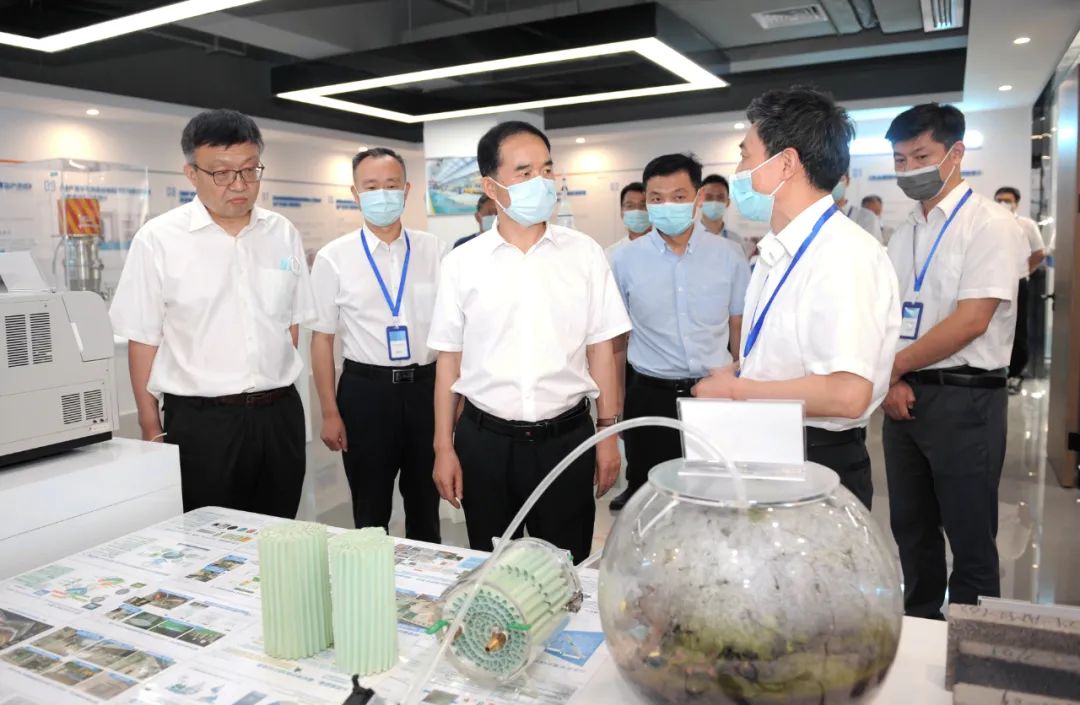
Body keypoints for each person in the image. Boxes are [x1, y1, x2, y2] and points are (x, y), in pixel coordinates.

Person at [428, 121, 631, 564]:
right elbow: (448, 361)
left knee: (565, 566)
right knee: (492, 565)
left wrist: (607, 434)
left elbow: (602, 349)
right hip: (485, 441)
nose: (541, 182)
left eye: (547, 170)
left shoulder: (584, 254)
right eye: (524, 172)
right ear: (491, 186)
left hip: (566, 438)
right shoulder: (462, 263)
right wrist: (444, 445)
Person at [692, 87, 900, 511]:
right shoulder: (778, 250)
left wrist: (735, 390)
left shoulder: (843, 255)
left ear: (785, 163)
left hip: (817, 459)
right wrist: (742, 370)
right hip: (775, 447)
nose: (738, 172)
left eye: (746, 157)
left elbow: (847, 394)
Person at [110, 109, 315, 517]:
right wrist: (151, 427)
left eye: (249, 170)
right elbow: (143, 340)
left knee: (281, 534)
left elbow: (289, 326)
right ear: (192, 173)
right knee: (209, 538)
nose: (239, 184)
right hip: (203, 423)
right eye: (221, 173)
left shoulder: (282, 232)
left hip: (279, 416)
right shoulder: (158, 240)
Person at [881, 103, 1026, 619]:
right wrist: (892, 381)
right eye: (899, 160)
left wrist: (892, 368)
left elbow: (972, 320)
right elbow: (887, 318)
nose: (909, 170)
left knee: (970, 538)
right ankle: (921, 627)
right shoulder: (903, 233)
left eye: (921, 156)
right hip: (903, 398)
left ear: (955, 153)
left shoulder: (991, 224)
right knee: (912, 530)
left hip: (966, 400)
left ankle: (972, 644)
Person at [308, 148, 446, 542]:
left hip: (426, 388)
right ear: (356, 193)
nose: (382, 194)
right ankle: (372, 575)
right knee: (370, 511)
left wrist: (455, 401)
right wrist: (329, 412)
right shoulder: (334, 258)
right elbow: (322, 340)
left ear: (406, 190)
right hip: (366, 394)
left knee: (426, 505)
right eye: (371, 187)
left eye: (390, 185)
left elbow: (454, 335)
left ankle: (426, 575)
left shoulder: (434, 250)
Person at [607, 154, 750, 512]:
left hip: (714, 394)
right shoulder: (624, 260)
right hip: (649, 395)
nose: (667, 205)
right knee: (649, 499)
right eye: (656, 198)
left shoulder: (730, 256)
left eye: (679, 196)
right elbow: (615, 343)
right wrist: (615, 405)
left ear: (697, 198)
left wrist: (744, 392)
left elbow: (739, 329)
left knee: (716, 498)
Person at [994, 186, 1046, 394]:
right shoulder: (989, 224)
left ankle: (1015, 374)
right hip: (994, 282)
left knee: (1018, 329)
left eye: (1007, 200)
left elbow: (1039, 253)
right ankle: (996, 372)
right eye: (999, 200)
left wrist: (1023, 272)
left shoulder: (1026, 224)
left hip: (1018, 283)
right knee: (993, 327)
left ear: (1016, 203)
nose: (1003, 204)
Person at [699, 173, 750, 259]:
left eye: (720, 197)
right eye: (709, 197)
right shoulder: (687, 240)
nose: (714, 202)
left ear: (728, 202)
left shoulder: (736, 242)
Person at [833, 172, 883, 242]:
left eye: (838, 179)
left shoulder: (867, 218)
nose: (832, 184)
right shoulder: (817, 216)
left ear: (847, 181)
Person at [606, 182, 649, 261]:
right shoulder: (610, 254)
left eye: (643, 205)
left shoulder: (668, 249)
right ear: (621, 212)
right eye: (630, 206)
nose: (637, 211)